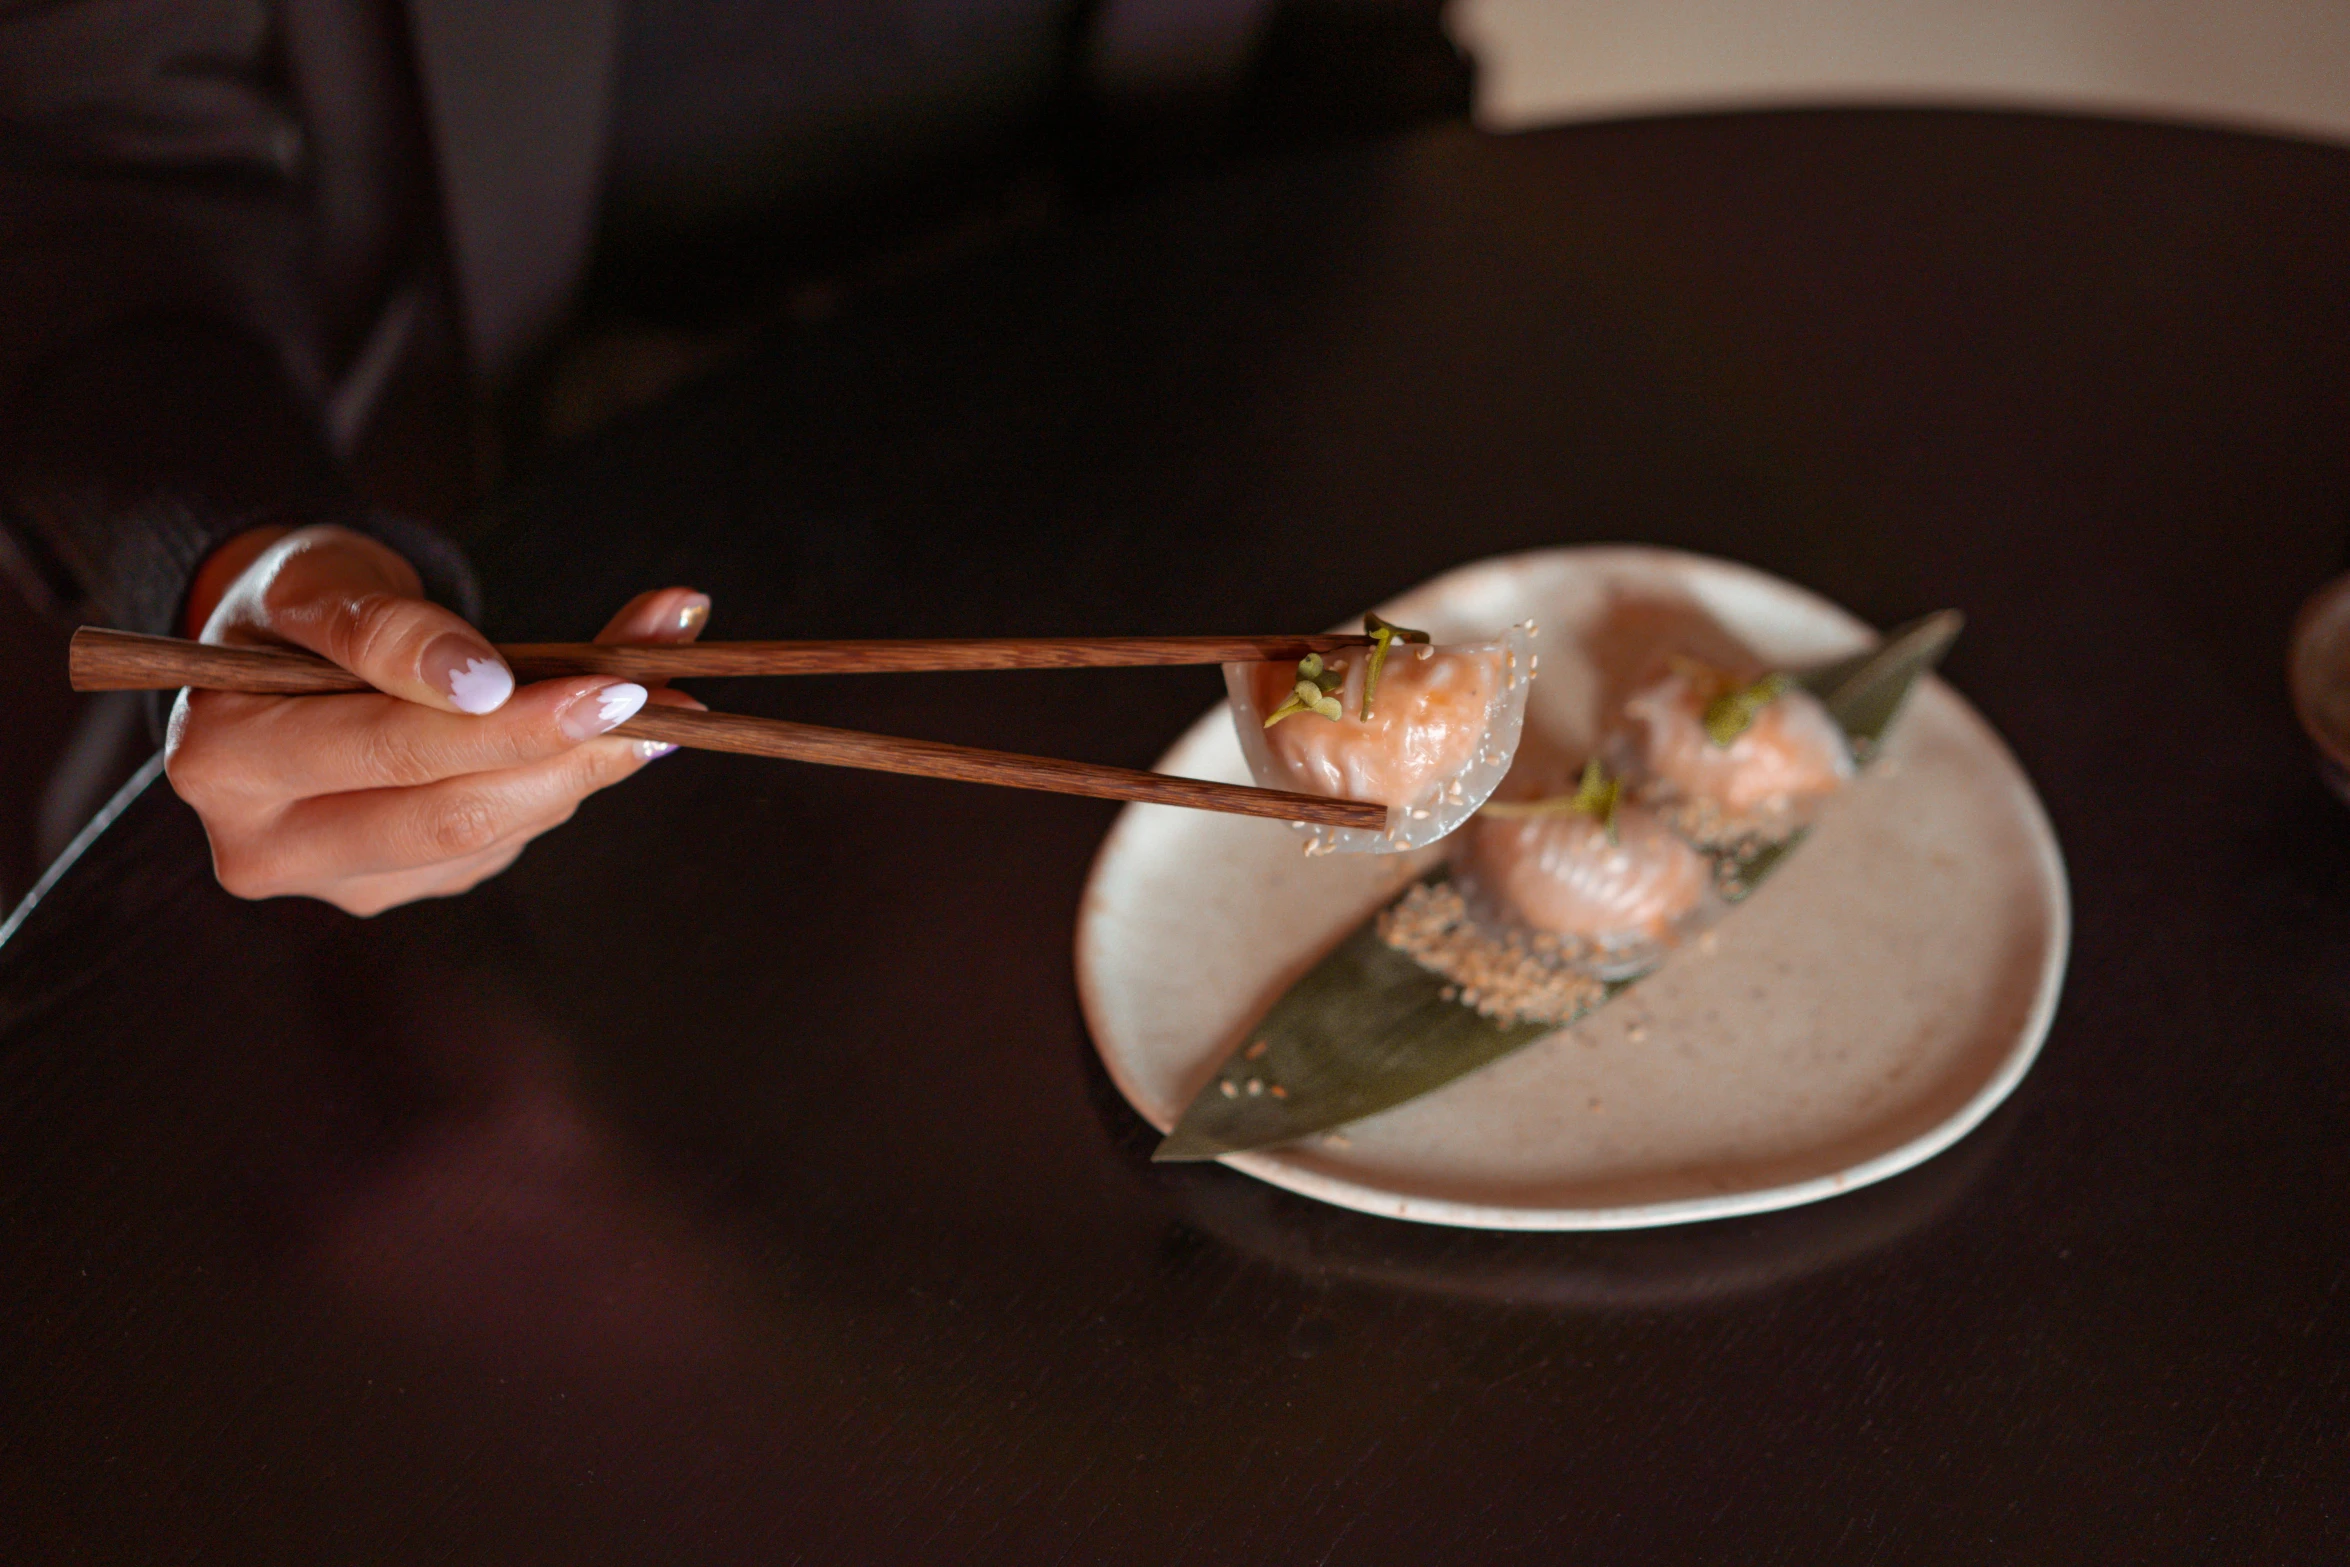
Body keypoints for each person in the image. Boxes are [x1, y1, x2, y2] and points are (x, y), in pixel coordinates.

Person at [0, 0, 1468, 913]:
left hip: (1137, 474)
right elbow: (83, 164)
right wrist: (251, 560)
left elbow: (1344, 53)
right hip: (492, 537)